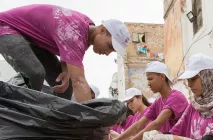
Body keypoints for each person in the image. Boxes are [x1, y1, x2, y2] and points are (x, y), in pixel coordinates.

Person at [0, 4, 130, 102]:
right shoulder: (74, 32)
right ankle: (15, 115)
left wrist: (65, 71)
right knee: (34, 73)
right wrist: (91, 121)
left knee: (65, 88)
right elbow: (79, 81)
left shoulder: (85, 27)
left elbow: (67, 51)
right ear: (102, 30)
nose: (107, 53)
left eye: (112, 51)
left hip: (33, 41)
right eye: (109, 46)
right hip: (7, 27)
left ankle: (54, 122)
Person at [142, 53, 213, 140]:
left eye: (193, 79)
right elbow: (177, 131)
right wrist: (158, 136)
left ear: (208, 76)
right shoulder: (195, 105)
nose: (189, 84)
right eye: (188, 80)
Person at [109, 61, 188, 140]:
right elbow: (138, 125)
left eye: (151, 79)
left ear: (162, 77)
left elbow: (157, 123)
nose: (148, 83)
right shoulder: (158, 102)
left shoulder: (176, 97)